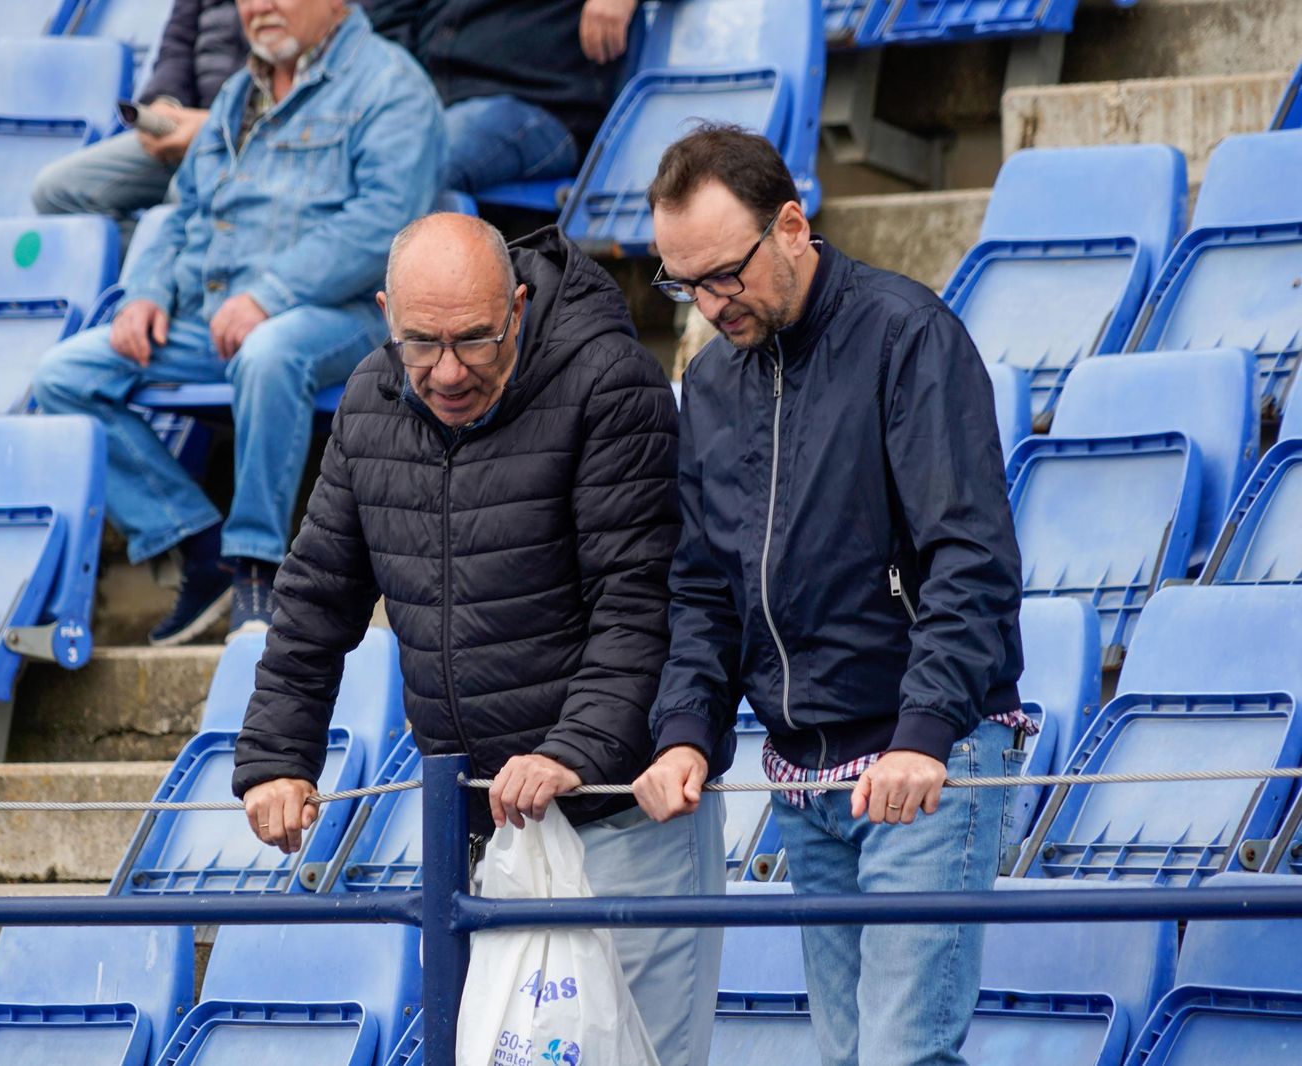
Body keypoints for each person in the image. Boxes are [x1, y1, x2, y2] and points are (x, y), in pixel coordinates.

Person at [233, 213, 726, 1065]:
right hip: (481, 836)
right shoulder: (367, 399)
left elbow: (640, 604)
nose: (449, 371)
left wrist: (573, 748)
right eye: (421, 343)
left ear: (520, 306)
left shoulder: (612, 386)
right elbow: (314, 597)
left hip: (621, 822)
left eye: (475, 341)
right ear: (387, 314)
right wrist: (279, 754)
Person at [631, 125, 1028, 1066]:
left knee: (901, 1057)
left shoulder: (908, 335)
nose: (710, 302)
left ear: (794, 226)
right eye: (683, 283)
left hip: (922, 763)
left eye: (725, 273)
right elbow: (703, 589)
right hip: (805, 777)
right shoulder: (713, 380)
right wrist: (687, 728)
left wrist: (925, 736)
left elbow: (969, 557)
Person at [31, 0, 445, 643]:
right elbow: (185, 212)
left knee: (269, 352)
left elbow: (384, 226)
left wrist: (270, 293)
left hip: (352, 310)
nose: (259, 7)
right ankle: (200, 546)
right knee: (63, 374)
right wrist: (147, 292)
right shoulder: (234, 95)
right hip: (219, 310)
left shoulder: (392, 85)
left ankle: (258, 568)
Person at [366, 0, 639, 192]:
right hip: (427, 103)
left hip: (539, 104)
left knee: (407, 164)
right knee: (347, 158)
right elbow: (388, 20)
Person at [32, 0, 248, 237]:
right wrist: (166, 101)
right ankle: (162, 259)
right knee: (55, 191)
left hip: (249, 134)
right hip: (185, 126)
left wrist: (218, 125)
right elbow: (178, 41)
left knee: (184, 195)